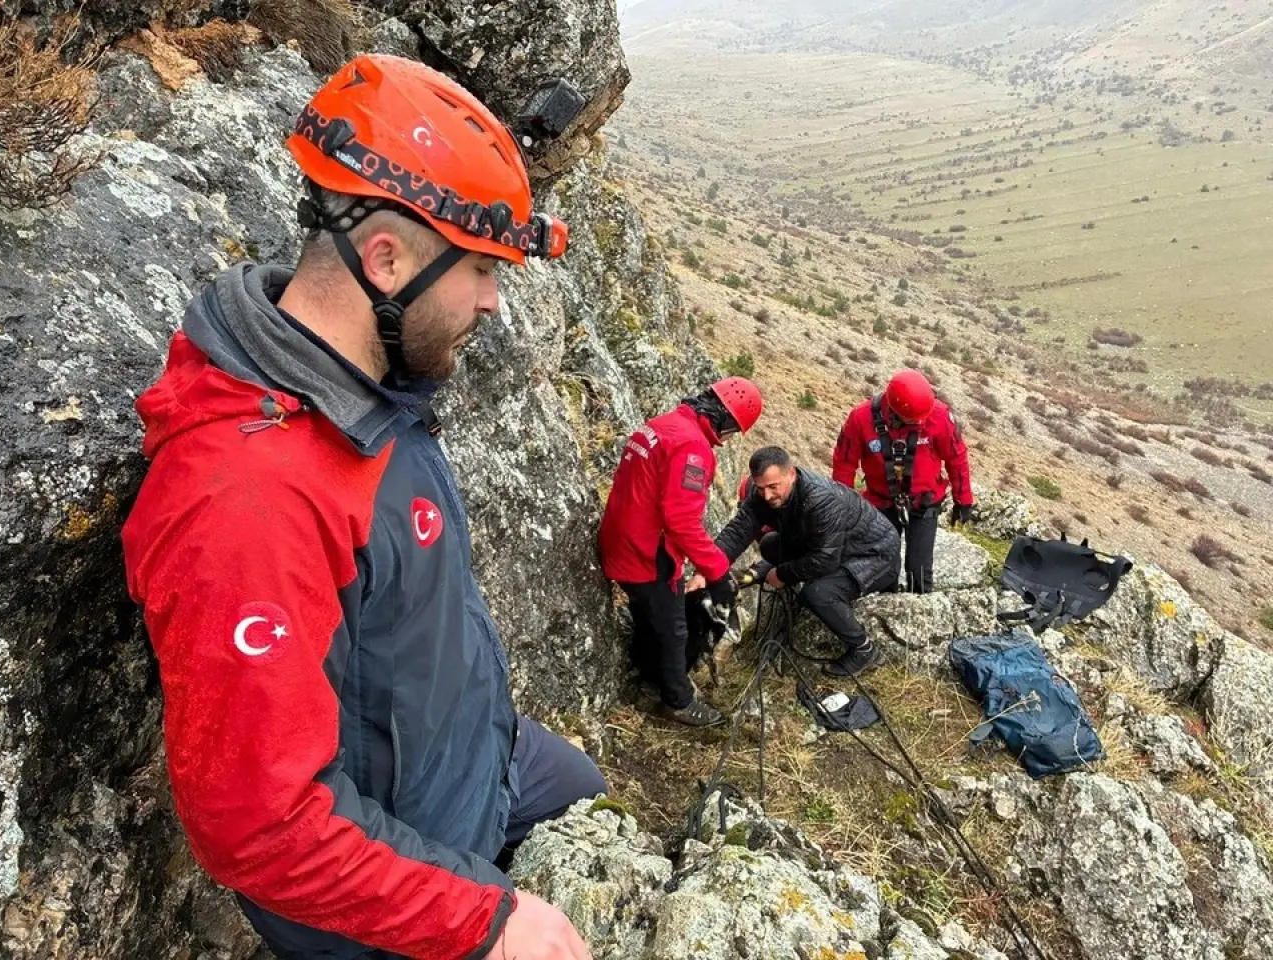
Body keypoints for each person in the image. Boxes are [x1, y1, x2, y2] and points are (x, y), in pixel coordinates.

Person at [121, 54, 604, 960]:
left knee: (590, 798)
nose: (494, 303)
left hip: (476, 762)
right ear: (386, 260)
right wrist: (482, 920)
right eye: (480, 271)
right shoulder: (247, 502)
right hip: (391, 877)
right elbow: (260, 825)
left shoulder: (364, 387)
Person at [598, 377, 763, 727]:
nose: (729, 439)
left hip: (620, 538)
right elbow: (681, 520)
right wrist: (716, 572)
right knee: (674, 629)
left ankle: (648, 672)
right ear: (725, 419)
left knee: (649, 613)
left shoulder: (663, 425)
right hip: (646, 552)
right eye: (733, 431)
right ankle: (678, 701)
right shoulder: (692, 448)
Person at [711, 446, 900, 677]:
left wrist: (783, 574)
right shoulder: (764, 494)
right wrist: (708, 569)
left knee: (818, 593)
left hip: (874, 553)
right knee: (770, 544)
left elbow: (826, 560)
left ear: (791, 474)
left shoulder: (820, 500)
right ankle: (764, 570)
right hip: (832, 546)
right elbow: (739, 530)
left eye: (773, 487)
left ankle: (865, 650)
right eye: (761, 488)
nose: (767, 496)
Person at [831, 369, 973, 595]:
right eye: (914, 419)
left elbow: (956, 459)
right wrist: (844, 508)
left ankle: (921, 606)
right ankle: (886, 603)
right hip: (881, 502)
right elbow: (844, 464)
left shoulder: (938, 417)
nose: (920, 421)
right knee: (883, 566)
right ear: (894, 409)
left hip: (924, 503)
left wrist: (963, 500)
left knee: (919, 570)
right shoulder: (861, 419)